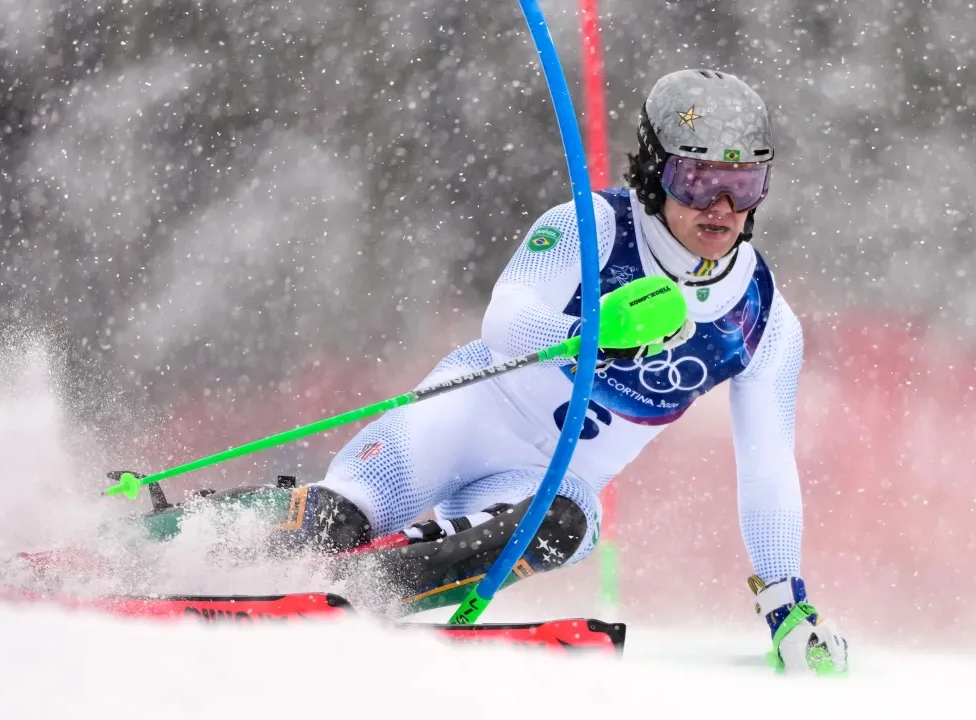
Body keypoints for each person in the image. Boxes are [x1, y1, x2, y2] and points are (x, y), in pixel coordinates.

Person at [280, 68, 849, 673]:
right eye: (699, 180)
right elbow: (505, 320)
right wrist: (594, 338)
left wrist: (786, 606)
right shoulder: (596, 225)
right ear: (655, 173)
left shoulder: (762, 317)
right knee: (333, 521)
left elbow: (767, 469)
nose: (723, 208)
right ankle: (215, 538)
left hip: (545, 483)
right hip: (464, 421)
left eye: (744, 184)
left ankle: (361, 590)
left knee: (569, 524)